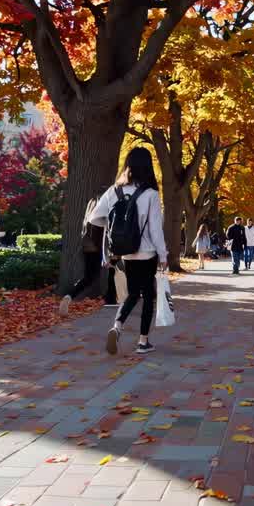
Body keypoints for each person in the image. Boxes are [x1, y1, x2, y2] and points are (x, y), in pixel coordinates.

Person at [92, 147, 169, 356]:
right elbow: (155, 229)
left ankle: (117, 326)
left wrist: (114, 230)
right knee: (148, 295)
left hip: (125, 252)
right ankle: (143, 342)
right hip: (147, 252)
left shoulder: (114, 191)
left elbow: (95, 218)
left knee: (132, 293)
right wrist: (163, 255)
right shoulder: (151, 194)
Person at [68, 196, 105, 299]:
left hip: (88, 247)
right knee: (91, 277)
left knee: (88, 277)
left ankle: (69, 295)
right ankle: (71, 294)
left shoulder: (88, 215)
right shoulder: (99, 216)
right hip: (96, 247)